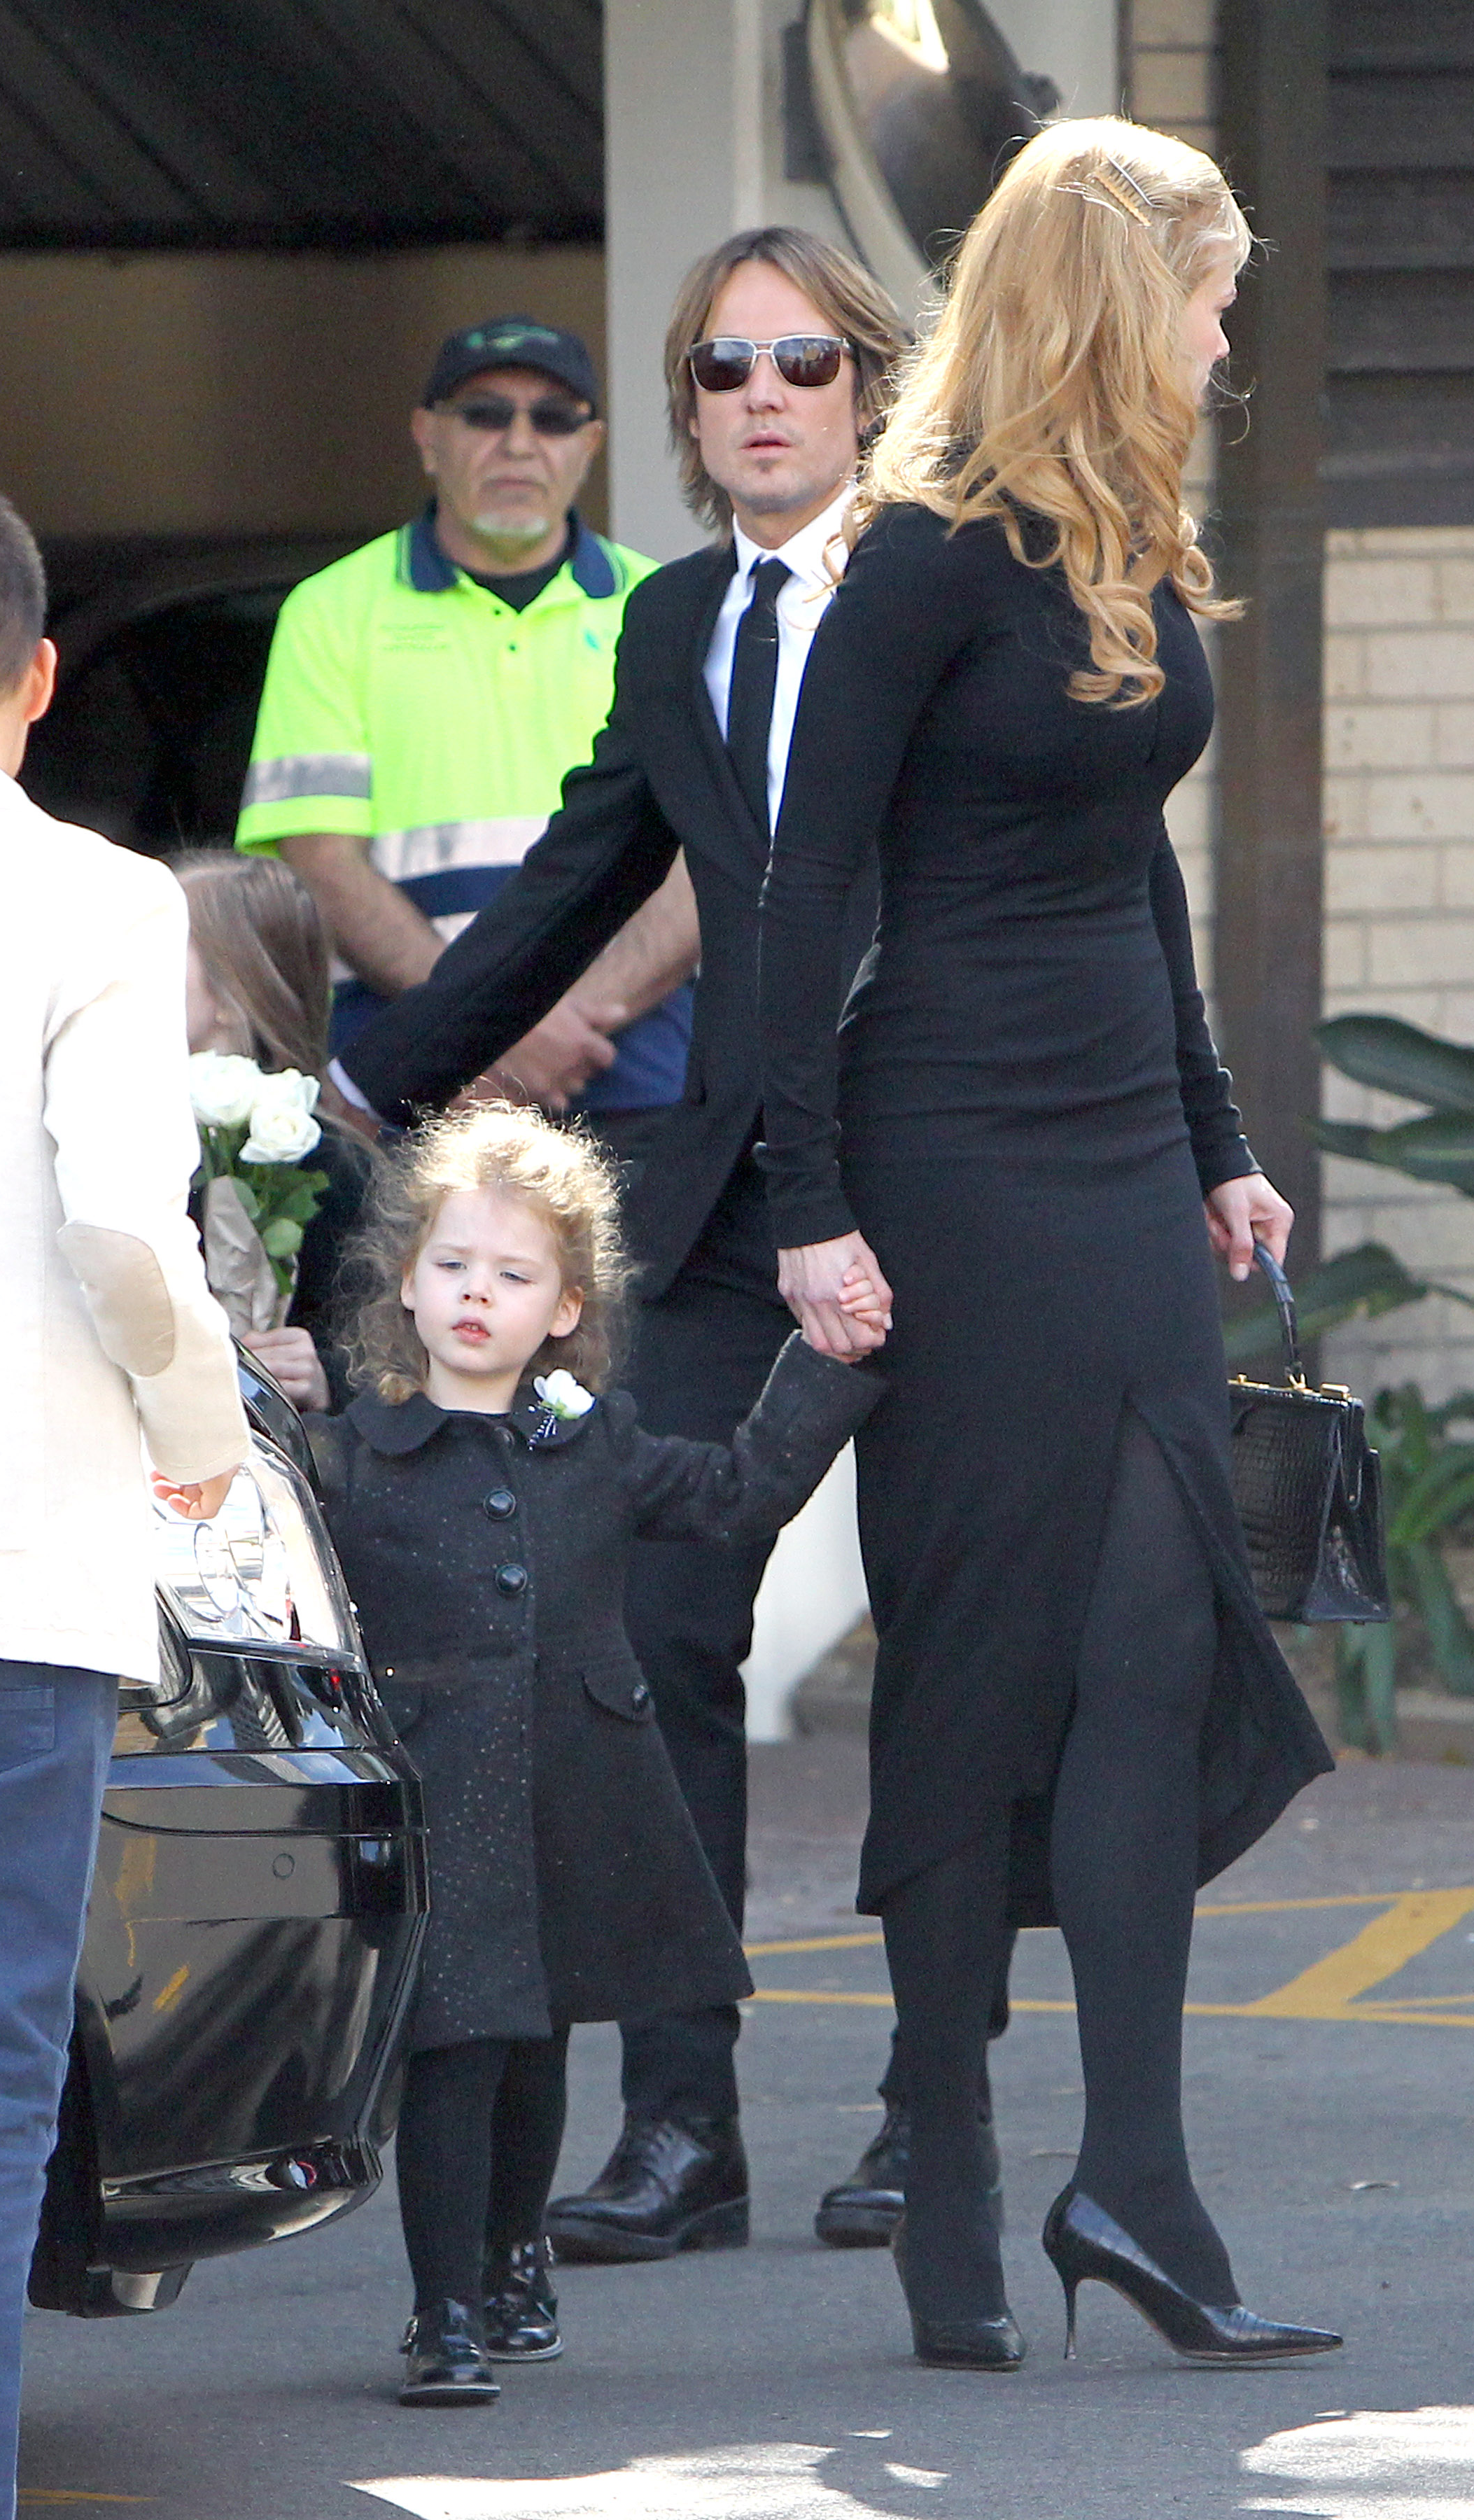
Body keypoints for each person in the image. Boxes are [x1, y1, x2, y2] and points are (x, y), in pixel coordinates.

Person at [757, 118, 1342, 2372]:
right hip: (954, 1155)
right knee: (982, 1662)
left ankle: (1137, 2185)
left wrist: (1213, 1138)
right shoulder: (915, 557)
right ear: (1112, 298)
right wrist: (809, 1203)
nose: (1223, 336)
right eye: (1206, 295)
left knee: (1152, 1652)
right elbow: (804, 891)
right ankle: (947, 2160)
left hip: (1113, 1156)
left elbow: (1134, 861)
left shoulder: (1127, 530)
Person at [331, 230, 925, 2262]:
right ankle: (685, 2128)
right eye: (722, 368)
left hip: (940, 1172)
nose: (763, 395)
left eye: (803, 362)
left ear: (868, 389)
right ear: (683, 411)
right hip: (729, 1186)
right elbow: (581, 875)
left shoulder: (942, 590)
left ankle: (929, 2111)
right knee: (656, 1621)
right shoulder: (673, 623)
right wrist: (369, 1091)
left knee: (953, 1630)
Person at [305, 1102, 880, 2404]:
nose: (477, 1294)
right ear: (407, 1282)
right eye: (454, 1265)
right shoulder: (354, 1458)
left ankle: (515, 2262)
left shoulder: (595, 1442)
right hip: (436, 1795)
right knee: (453, 2048)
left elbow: (737, 1492)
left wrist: (825, 1361)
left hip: (575, 1786)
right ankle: (444, 2310)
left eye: (514, 1276)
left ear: (565, 1309)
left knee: (537, 2044)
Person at [0, 484, 247, 2516]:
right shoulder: (97, 903)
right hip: (21, 1561)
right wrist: (199, 1425)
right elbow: (125, 1235)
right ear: (42, 674)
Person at [236, 315, 699, 1159]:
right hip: (408, 1071)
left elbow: (709, 856)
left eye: (552, 419)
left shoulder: (666, 606)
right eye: (485, 414)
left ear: (591, 445)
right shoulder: (330, 612)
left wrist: (546, 1024)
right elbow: (321, 866)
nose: (519, 443)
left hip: (631, 1067)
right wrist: (495, 1030)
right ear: (427, 436)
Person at [172, 848, 372, 1410]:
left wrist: (328, 1377)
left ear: (232, 993)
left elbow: (390, 1347)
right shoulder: (102, 1130)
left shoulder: (331, 1162)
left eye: (157, 942)